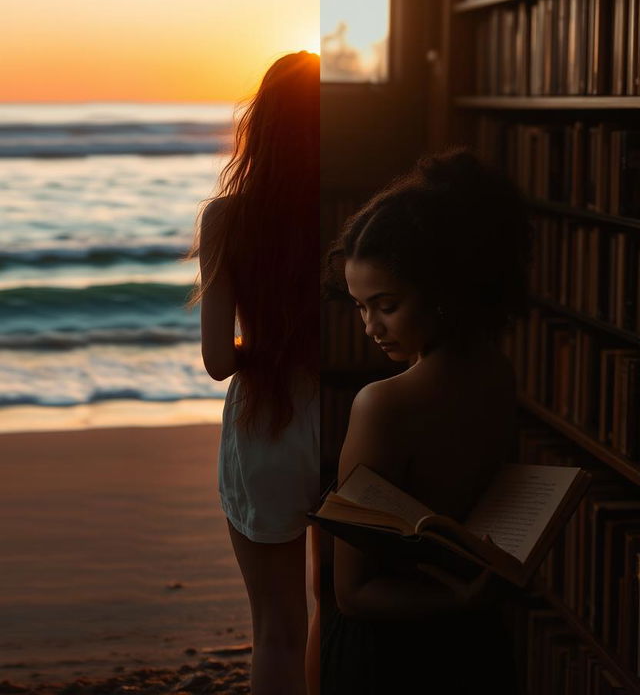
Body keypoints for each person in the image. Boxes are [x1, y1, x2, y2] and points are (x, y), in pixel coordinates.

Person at [320, 147, 533, 694]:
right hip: (475, 645)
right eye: (359, 306)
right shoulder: (497, 370)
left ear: (440, 291)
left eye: (386, 305)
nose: (370, 327)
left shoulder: (383, 403)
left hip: (393, 653)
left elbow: (350, 594)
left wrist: (454, 599)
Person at [190, 51, 321, 695]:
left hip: (269, 423)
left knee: (276, 629)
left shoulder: (228, 219)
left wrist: (263, 347)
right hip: (353, 421)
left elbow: (218, 362)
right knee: (338, 609)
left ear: (260, 123)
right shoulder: (356, 208)